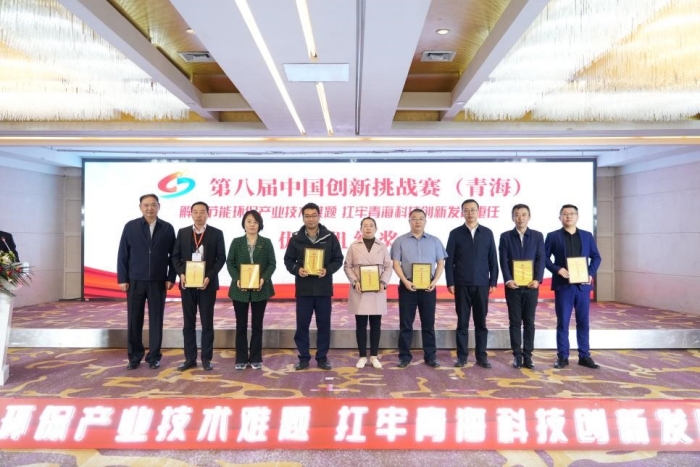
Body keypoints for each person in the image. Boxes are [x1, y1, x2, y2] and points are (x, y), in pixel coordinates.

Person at [117, 194, 176, 370]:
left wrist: (171, 277)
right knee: (134, 319)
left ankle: (154, 357)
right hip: (135, 280)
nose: (150, 208)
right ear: (140, 207)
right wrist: (123, 278)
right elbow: (123, 254)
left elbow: (174, 256)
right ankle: (134, 356)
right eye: (146, 205)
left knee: (156, 320)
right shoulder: (131, 226)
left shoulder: (167, 228)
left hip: (158, 281)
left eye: (153, 205)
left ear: (159, 206)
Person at [283, 202, 344, 371]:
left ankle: (322, 357)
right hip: (303, 289)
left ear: (319, 216)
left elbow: (338, 259)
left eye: (313, 215)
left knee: (323, 325)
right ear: (303, 218)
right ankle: (303, 357)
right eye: (307, 216)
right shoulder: (296, 238)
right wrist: (297, 269)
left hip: (323, 289)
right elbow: (288, 260)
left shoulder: (329, 237)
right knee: (302, 325)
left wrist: (327, 270)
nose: (311, 219)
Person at [545, 204, 602, 370]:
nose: (568, 216)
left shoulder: (587, 236)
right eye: (565, 214)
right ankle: (563, 356)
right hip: (564, 287)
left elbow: (596, 257)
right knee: (563, 322)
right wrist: (558, 269)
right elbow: (545, 258)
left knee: (583, 322)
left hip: (582, 287)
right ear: (560, 217)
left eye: (571, 214)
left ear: (577, 217)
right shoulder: (553, 236)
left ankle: (584, 356)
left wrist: (590, 274)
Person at [171, 201, 226, 372]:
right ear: (191, 214)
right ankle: (190, 358)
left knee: (207, 322)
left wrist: (209, 276)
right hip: (187, 285)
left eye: (202, 212)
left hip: (207, 285)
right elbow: (175, 257)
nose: (199, 215)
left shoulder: (216, 233)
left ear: (208, 214)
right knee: (188, 323)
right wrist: (181, 274)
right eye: (195, 212)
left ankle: (206, 359)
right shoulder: (183, 232)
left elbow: (221, 258)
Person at [445, 199, 499, 369]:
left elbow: (493, 259)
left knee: (481, 323)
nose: (470, 213)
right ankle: (462, 357)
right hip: (462, 284)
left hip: (482, 284)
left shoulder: (487, 233)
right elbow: (449, 261)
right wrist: (450, 282)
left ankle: (481, 356)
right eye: (466, 210)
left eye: (473, 210)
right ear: (462, 212)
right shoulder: (455, 233)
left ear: (478, 211)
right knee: (462, 323)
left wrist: (493, 281)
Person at [391, 208, 447, 368]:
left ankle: (431, 356)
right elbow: (396, 264)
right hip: (408, 286)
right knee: (406, 323)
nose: (417, 221)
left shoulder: (435, 241)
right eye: (414, 218)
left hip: (428, 286)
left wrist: (435, 281)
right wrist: (405, 281)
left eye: (421, 218)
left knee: (428, 323)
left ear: (425, 221)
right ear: (409, 221)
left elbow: (441, 263)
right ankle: (404, 357)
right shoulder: (400, 241)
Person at [227, 210, 276, 370]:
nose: (252, 225)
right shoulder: (236, 242)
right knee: (241, 325)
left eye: (255, 222)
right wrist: (237, 279)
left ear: (259, 224)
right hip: (239, 289)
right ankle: (241, 358)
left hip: (261, 289)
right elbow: (230, 263)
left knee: (257, 325)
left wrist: (263, 278)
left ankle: (255, 358)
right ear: (244, 224)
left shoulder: (266, 242)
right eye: (249, 221)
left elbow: (272, 264)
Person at [498, 204, 546, 370]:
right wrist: (508, 279)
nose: (520, 218)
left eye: (524, 214)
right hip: (513, 287)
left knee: (530, 322)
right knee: (515, 322)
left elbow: (541, 258)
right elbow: (503, 260)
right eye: (517, 215)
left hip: (531, 286)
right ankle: (517, 356)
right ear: (513, 217)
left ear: (529, 217)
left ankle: (528, 356)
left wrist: (538, 279)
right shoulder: (505, 236)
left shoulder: (537, 236)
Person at [343, 217, 393, 369]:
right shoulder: (354, 246)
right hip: (360, 290)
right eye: (365, 225)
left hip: (377, 290)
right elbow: (347, 266)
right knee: (361, 324)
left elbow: (388, 266)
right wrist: (355, 281)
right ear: (361, 229)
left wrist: (383, 282)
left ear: (376, 229)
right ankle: (362, 356)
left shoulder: (382, 246)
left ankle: (374, 356)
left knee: (376, 324)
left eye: (371, 225)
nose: (368, 228)